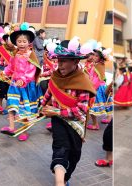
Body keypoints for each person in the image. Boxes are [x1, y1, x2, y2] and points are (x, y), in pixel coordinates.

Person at [40, 39, 96, 186]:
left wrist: (56, 111)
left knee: (74, 155)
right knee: (60, 149)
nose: (60, 64)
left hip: (76, 124)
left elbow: (81, 110)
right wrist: (41, 109)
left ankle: (64, 178)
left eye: (64, 61)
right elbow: (48, 94)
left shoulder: (83, 81)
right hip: (59, 121)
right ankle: (59, 183)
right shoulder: (56, 76)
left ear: (75, 62)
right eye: (59, 60)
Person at [0, 23, 43, 141]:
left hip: (27, 86)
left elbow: (31, 70)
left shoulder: (31, 55)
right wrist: (4, 73)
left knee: (25, 109)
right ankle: (12, 127)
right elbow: (11, 67)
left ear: (29, 43)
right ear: (16, 42)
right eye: (19, 41)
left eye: (24, 41)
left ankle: (25, 129)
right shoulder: (15, 54)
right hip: (14, 84)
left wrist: (23, 80)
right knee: (12, 105)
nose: (22, 44)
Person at [0, 34, 17, 114]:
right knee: (2, 88)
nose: (11, 42)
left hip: (11, 75)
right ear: (6, 40)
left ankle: (7, 106)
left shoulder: (17, 51)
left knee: (9, 90)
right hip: (1, 73)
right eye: (9, 40)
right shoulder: (0, 50)